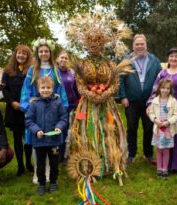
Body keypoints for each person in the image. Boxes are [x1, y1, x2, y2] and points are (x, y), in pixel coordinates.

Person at [66, 11, 134, 186]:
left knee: (109, 132)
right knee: (88, 134)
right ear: (86, 44)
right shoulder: (81, 64)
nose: (94, 45)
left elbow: (116, 83)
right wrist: (91, 95)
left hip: (107, 105)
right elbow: (80, 85)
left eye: (98, 42)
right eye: (91, 42)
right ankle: (89, 165)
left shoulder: (110, 64)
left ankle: (111, 163)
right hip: (87, 106)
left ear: (103, 44)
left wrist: (105, 94)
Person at [20, 38, 69, 184]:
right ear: (37, 52)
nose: (43, 53)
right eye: (41, 51)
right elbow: (26, 88)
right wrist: (27, 104)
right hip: (37, 109)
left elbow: (60, 89)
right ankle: (38, 172)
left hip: (52, 110)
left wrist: (61, 102)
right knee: (38, 142)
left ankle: (48, 171)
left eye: (46, 51)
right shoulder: (32, 70)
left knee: (50, 141)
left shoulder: (55, 70)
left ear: (50, 53)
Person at [147, 47, 177, 175]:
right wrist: (149, 105)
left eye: (176, 56)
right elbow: (155, 90)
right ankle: (166, 165)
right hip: (164, 111)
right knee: (166, 136)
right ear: (168, 58)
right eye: (171, 56)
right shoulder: (162, 73)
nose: (173, 58)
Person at [119, 34, 162, 165]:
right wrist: (123, 96)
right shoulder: (126, 60)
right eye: (137, 44)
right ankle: (131, 155)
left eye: (142, 44)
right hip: (131, 101)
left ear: (146, 45)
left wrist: (158, 98)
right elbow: (120, 79)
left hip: (150, 101)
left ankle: (148, 154)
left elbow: (160, 79)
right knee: (132, 127)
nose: (139, 46)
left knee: (149, 127)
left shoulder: (154, 60)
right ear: (133, 46)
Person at [25, 76, 69, 195]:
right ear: (39, 89)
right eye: (43, 88)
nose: (45, 90)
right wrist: (36, 130)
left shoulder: (58, 103)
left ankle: (53, 182)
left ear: (52, 89)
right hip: (39, 141)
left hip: (54, 141)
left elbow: (64, 118)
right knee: (40, 165)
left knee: (54, 164)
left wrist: (59, 127)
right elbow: (29, 120)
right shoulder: (34, 104)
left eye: (48, 87)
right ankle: (42, 184)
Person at [0, 44, 34, 176]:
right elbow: (4, 89)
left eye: (24, 54)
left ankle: (29, 163)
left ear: (28, 56)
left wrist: (27, 104)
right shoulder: (8, 70)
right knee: (17, 138)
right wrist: (12, 102)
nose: (21, 56)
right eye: (19, 53)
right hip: (13, 109)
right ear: (15, 54)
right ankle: (20, 165)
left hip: (27, 109)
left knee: (28, 138)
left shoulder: (31, 70)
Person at [147, 79, 177, 180]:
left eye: (167, 88)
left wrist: (168, 122)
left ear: (170, 90)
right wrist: (155, 120)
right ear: (159, 89)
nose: (165, 90)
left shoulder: (173, 101)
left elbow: (176, 114)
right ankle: (159, 169)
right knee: (158, 149)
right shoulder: (155, 100)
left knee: (166, 150)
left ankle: (164, 169)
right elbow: (151, 113)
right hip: (158, 129)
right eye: (163, 88)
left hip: (168, 130)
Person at [55, 50, 80, 165]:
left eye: (66, 58)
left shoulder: (72, 73)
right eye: (62, 58)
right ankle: (58, 154)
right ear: (57, 59)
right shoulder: (54, 72)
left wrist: (79, 101)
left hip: (72, 105)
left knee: (70, 131)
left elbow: (76, 88)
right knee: (60, 130)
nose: (64, 60)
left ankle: (66, 155)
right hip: (58, 106)